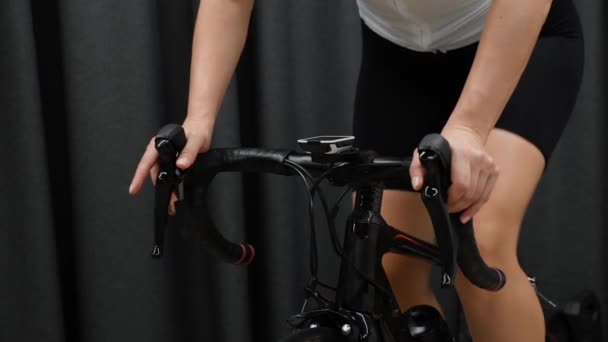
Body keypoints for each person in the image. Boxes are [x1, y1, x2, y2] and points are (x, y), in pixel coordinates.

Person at [129, 0, 584, 341]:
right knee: (383, 260)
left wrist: (468, 125)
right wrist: (198, 120)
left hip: (517, 35)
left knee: (479, 245)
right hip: (399, 58)